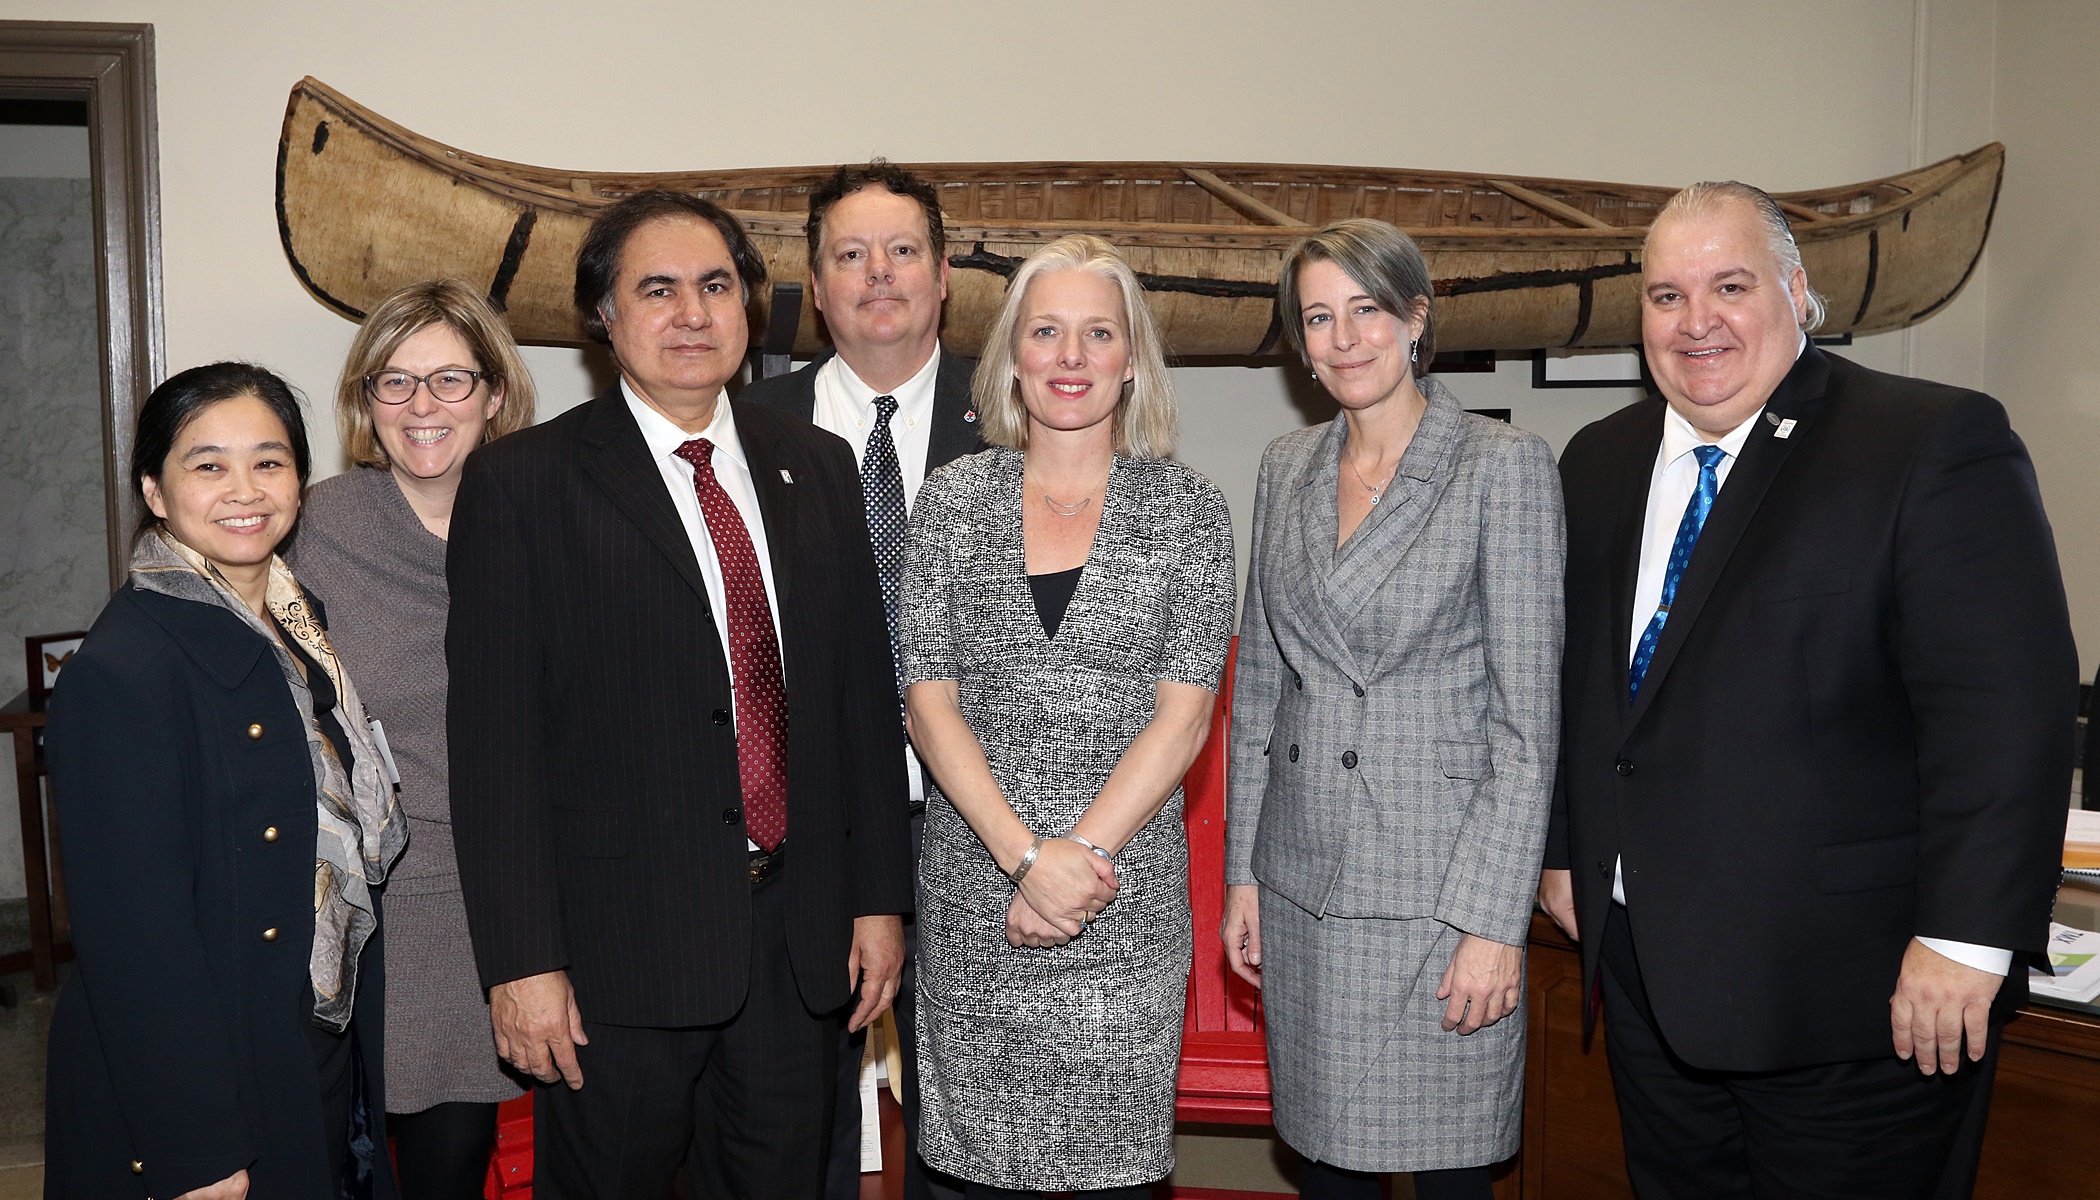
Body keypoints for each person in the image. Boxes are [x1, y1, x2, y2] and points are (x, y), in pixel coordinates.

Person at [1538, 181, 2076, 1198]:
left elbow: (2007, 714)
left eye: (1729, 285)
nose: (1697, 322)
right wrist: (1571, 845)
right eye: (1665, 296)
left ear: (1796, 292)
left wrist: (1966, 938)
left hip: (1857, 1003)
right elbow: (1582, 683)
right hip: (1647, 984)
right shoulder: (1599, 460)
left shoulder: (1929, 443)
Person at [446, 190, 913, 1199]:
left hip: (798, 949)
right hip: (615, 962)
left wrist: (878, 898)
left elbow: (860, 707)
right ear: (603, 319)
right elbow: (495, 754)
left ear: (749, 308)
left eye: (715, 287)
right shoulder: (524, 485)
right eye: (656, 290)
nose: (692, 314)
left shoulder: (819, 469)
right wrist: (520, 963)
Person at [1217, 219, 1564, 1200]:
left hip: (1440, 895)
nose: (1343, 338)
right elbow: (1261, 696)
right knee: (1324, 1170)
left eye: (1367, 310)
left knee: (1451, 1174)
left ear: (1417, 317)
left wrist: (1495, 921)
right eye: (1318, 318)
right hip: (1303, 883)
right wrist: (1246, 872)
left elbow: (1527, 723)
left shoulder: (1503, 466)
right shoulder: (1287, 466)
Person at [899, 233, 1237, 1198]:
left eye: (1099, 333)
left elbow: (1184, 717)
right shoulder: (951, 503)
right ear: (1011, 355)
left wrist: (1072, 864)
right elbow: (927, 704)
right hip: (977, 911)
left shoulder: (1189, 511)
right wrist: (1022, 859)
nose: (1072, 357)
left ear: (1134, 359)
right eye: (1046, 332)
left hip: (1119, 917)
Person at [44, 362, 406, 1199]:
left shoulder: (295, 624)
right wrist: (197, 1146)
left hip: (304, 1027)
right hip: (206, 1069)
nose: (244, 488)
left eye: (269, 461)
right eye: (207, 465)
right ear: (156, 492)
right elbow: (135, 939)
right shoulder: (125, 670)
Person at [738, 158, 984, 1200]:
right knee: (799, 1128)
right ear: (816, 283)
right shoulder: (745, 430)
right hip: (811, 829)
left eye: (902, 252)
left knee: (968, 1128)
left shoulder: (1023, 414)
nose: (877, 274)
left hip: (984, 825)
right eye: (851, 255)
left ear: (941, 278)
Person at [291, 279, 537, 1197]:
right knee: (355, 1157)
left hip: (514, 883)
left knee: (463, 1158)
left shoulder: (541, 515)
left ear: (495, 394)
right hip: (373, 894)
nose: (422, 406)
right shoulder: (314, 527)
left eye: (450, 380)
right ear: (364, 402)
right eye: (394, 383)